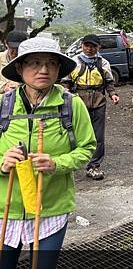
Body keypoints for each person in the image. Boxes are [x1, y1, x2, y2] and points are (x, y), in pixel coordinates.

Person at [0, 37, 96, 269]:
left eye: (51, 63)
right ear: (20, 67)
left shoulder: (71, 105)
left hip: (51, 207)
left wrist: (57, 164)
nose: (43, 70)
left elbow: (87, 148)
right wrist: (2, 164)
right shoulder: (3, 105)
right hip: (5, 209)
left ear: (58, 69)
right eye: (34, 63)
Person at [61, 34, 119, 180]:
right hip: (78, 102)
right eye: (86, 45)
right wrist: (65, 92)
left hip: (99, 102)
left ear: (98, 47)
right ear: (82, 46)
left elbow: (109, 83)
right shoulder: (74, 62)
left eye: (93, 46)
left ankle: (93, 166)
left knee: (98, 136)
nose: (89, 49)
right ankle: (69, 164)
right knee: (72, 134)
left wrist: (113, 95)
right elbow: (66, 82)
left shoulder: (103, 63)